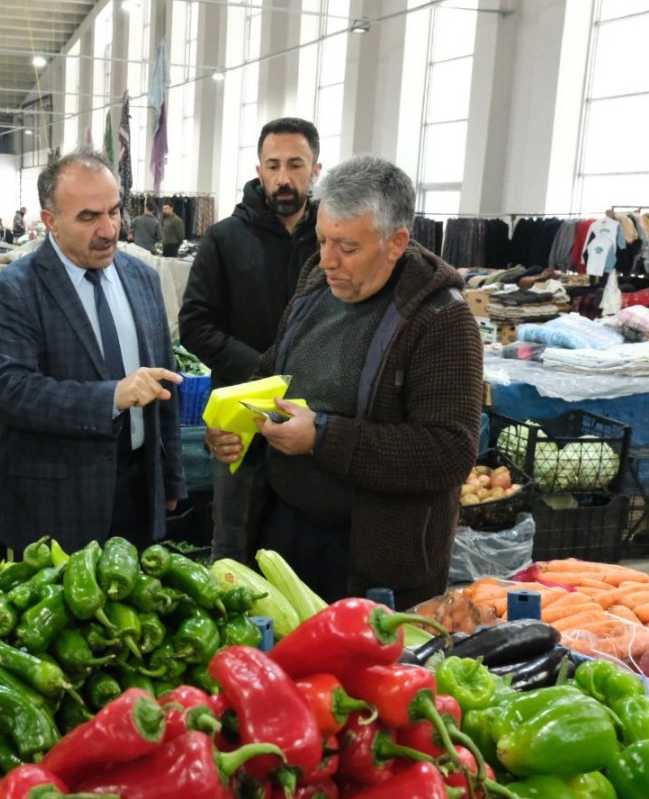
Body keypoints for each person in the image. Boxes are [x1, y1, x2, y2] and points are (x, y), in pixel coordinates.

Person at [205, 156, 482, 607]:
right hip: (284, 530)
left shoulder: (441, 320)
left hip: (373, 560)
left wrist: (323, 437)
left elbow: (449, 451)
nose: (327, 259)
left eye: (348, 248)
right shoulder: (319, 282)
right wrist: (234, 425)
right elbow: (274, 365)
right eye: (322, 239)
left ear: (395, 243)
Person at [0, 146, 186, 551]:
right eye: (89, 217)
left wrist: (172, 478)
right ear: (50, 222)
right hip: (56, 502)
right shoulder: (14, 290)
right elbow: (14, 390)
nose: (109, 230)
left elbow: (165, 384)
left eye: (114, 211)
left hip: (138, 492)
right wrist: (112, 397)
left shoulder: (143, 279)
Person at [180, 117, 323, 562]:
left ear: (316, 170)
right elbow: (195, 324)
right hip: (240, 422)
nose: (284, 178)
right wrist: (265, 373)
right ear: (259, 170)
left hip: (317, 417)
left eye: (296, 165)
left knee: (306, 547)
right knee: (234, 545)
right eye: (273, 165)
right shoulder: (225, 238)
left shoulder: (332, 239)